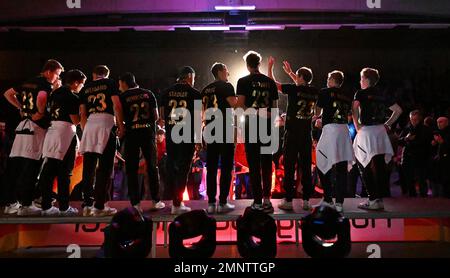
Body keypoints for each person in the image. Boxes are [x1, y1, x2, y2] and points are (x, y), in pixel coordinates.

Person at [3, 59, 63, 216]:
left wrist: (21, 108)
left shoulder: (28, 82)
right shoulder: (45, 84)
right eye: (57, 74)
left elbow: (8, 93)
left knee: (16, 167)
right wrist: (40, 113)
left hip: (22, 127)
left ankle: (11, 203)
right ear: (49, 72)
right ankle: (26, 204)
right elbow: (42, 97)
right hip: (35, 129)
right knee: (32, 167)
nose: (57, 78)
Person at [268, 56, 318, 211]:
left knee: (289, 167)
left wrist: (270, 68)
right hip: (306, 135)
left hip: (292, 134)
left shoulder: (293, 89)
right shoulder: (314, 91)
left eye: (297, 75)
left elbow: (272, 84)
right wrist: (290, 72)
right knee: (305, 168)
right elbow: (302, 83)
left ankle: (288, 200)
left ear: (300, 77)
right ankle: (306, 201)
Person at [352, 68, 403, 210]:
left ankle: (373, 199)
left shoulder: (360, 93)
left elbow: (354, 108)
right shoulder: (382, 93)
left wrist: (357, 125)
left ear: (366, 79)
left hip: (367, 131)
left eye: (361, 78)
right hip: (380, 131)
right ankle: (379, 199)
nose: (360, 81)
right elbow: (398, 110)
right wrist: (387, 124)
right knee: (380, 166)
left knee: (363, 164)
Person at [37, 69, 86, 216]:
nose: (81, 87)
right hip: (64, 133)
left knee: (49, 170)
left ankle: (46, 205)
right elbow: (75, 120)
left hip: (52, 132)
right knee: (65, 172)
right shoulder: (71, 96)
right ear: (76, 82)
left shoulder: (54, 93)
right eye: (82, 84)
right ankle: (64, 206)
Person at [79, 65, 125, 216]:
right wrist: (120, 126)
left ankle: (87, 204)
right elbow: (117, 105)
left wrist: (86, 130)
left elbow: (82, 112)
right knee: (105, 168)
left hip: (90, 123)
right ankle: (100, 206)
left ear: (93, 74)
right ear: (107, 74)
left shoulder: (86, 87)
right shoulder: (110, 83)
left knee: (89, 167)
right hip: (106, 122)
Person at [237, 51, 278, 213]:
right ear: (259, 64)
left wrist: (255, 112)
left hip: (251, 126)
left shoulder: (243, 81)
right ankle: (267, 200)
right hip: (267, 127)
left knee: (253, 165)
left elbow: (240, 105)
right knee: (267, 164)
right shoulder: (270, 82)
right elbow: (274, 109)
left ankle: (258, 202)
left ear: (247, 65)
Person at [118, 72, 165, 212]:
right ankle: (156, 200)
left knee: (131, 169)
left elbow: (119, 115)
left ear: (125, 83)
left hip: (132, 133)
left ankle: (135, 203)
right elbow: (156, 116)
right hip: (147, 133)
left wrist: (123, 127)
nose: (119, 87)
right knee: (152, 167)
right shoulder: (148, 93)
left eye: (120, 84)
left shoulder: (123, 96)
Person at [159, 66, 202, 214]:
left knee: (171, 166)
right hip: (187, 135)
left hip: (171, 134)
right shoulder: (195, 93)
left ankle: (169, 199)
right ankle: (177, 203)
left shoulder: (166, 91)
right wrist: (198, 140)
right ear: (189, 76)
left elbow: (162, 116)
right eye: (193, 78)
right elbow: (197, 118)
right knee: (183, 169)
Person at [314, 70, 353, 212]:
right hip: (344, 130)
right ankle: (339, 202)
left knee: (321, 161)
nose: (327, 80)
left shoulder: (325, 92)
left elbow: (317, 112)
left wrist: (318, 118)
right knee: (341, 167)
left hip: (330, 130)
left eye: (328, 78)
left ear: (331, 79)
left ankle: (328, 198)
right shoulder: (347, 95)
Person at [201, 62, 237, 214]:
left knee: (212, 168)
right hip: (224, 129)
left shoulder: (205, 90)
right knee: (227, 167)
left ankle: (210, 203)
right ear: (221, 71)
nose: (228, 73)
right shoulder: (227, 86)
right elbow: (234, 105)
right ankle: (222, 202)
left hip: (210, 129)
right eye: (227, 70)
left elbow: (202, 113)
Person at [398, 110, 433, 197]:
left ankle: (423, 196)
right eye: (412, 119)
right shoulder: (407, 128)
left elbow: (427, 143)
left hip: (420, 158)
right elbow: (399, 141)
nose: (414, 121)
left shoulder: (426, 129)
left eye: (416, 119)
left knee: (421, 179)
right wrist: (406, 139)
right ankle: (411, 196)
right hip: (408, 157)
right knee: (409, 179)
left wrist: (412, 141)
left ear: (420, 119)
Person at [433, 117, 450, 198]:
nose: (439, 124)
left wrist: (442, 142)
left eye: (441, 122)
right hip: (441, 159)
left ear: (447, 123)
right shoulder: (438, 132)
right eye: (438, 122)